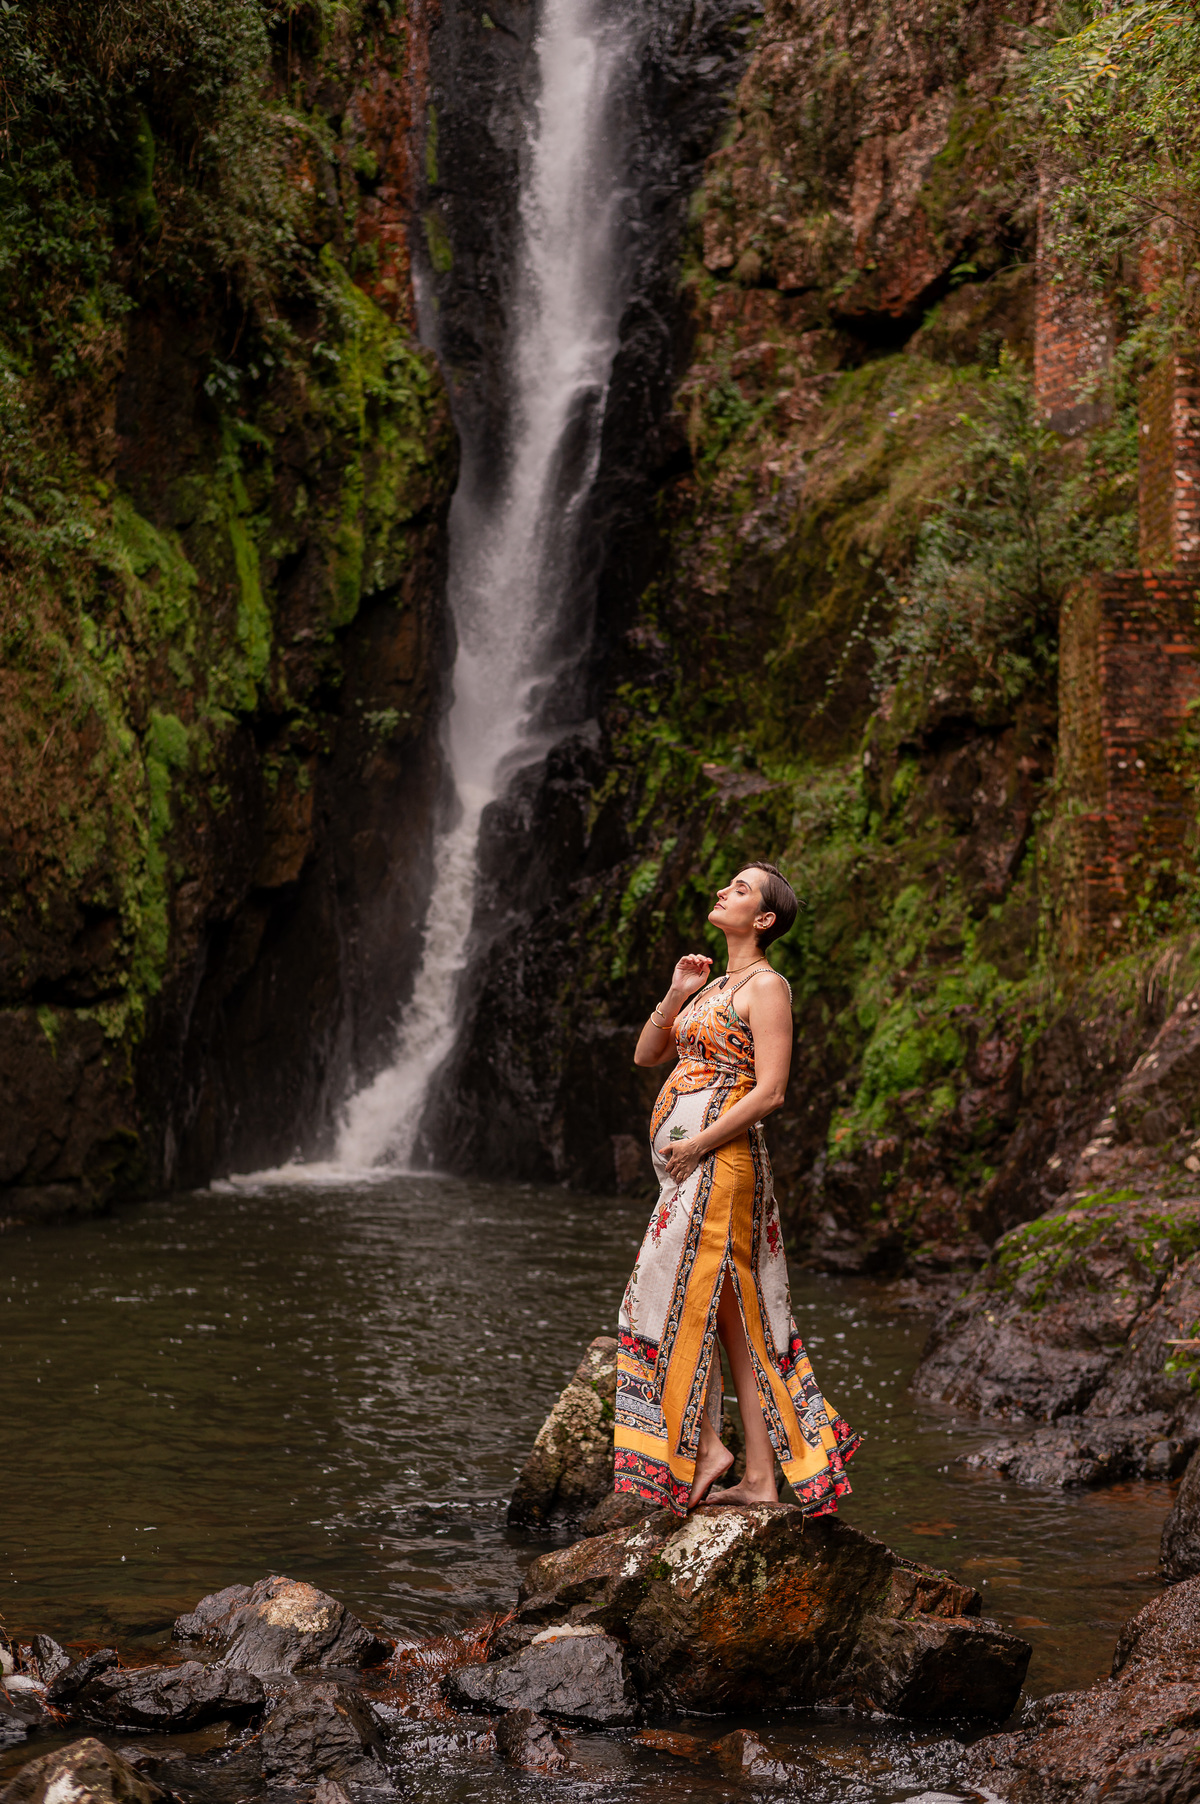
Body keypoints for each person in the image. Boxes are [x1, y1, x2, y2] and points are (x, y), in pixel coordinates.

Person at [613, 861, 860, 1515]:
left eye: (742, 889)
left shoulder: (767, 987)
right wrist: (677, 991)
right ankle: (756, 1476)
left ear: (765, 919)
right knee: (736, 1326)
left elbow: (771, 1091)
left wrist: (695, 1143)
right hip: (692, 1173)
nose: (724, 891)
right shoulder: (715, 982)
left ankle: (706, 1450)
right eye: (728, 884)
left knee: (663, 1305)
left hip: (719, 1167)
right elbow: (646, 1055)